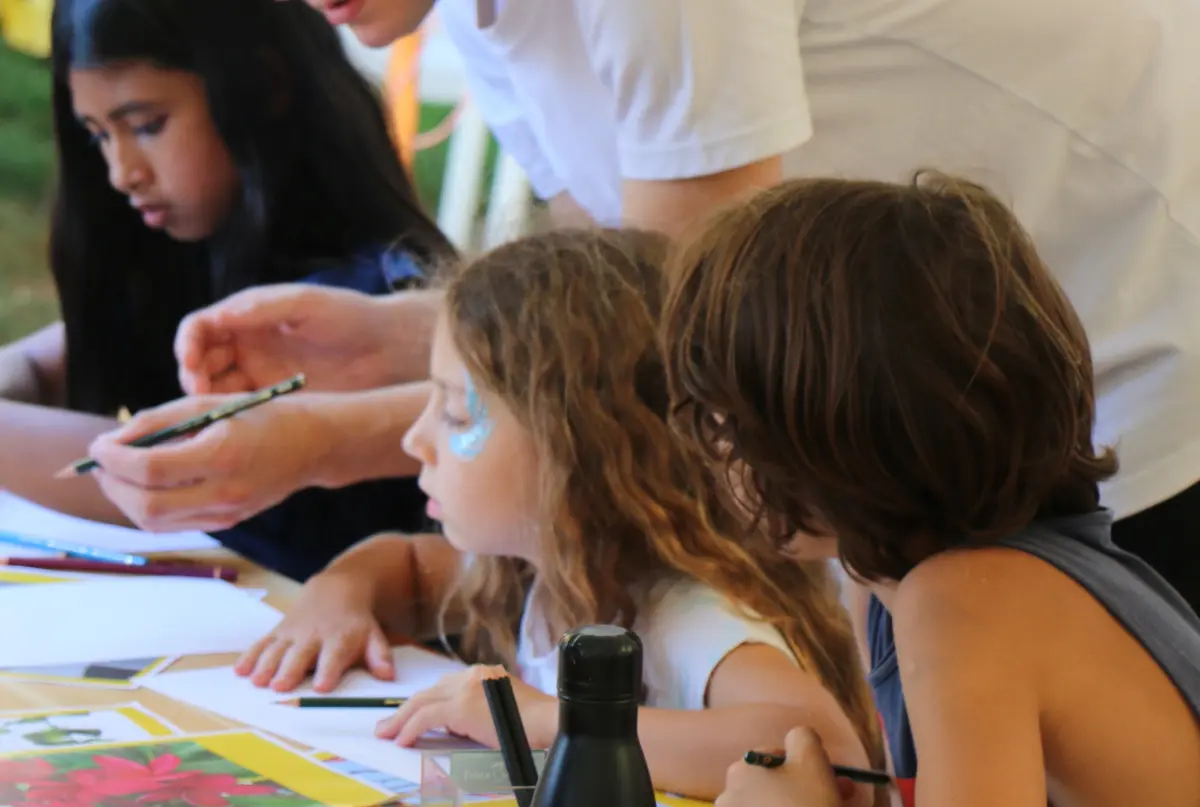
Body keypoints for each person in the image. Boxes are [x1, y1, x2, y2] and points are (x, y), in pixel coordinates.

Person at [83, 0, 1200, 609]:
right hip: (923, 388)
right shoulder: (470, 15)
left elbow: (665, 324)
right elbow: (604, 273)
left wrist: (340, 443)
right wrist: (397, 335)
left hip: (1129, 357)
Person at [234, 228, 892, 807]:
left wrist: (546, 723)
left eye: (457, 410)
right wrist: (337, 593)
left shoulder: (681, 610)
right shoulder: (544, 572)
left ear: (580, 449)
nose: (415, 439)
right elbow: (405, 564)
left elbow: (826, 756)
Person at [660, 174, 1200, 807]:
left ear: (827, 432)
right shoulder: (890, 586)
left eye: (725, 418)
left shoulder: (974, 601)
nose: (716, 451)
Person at [0, 0, 453, 581]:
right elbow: (47, 362)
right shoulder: (190, 246)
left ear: (263, 86)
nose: (122, 171)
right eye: (98, 138)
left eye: (146, 126)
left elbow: (172, 467)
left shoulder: (365, 290)